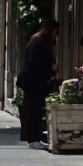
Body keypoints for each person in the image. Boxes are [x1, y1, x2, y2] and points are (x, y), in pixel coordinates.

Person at [17, 18, 60, 149]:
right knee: (33, 109)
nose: (56, 35)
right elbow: (34, 63)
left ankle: (35, 138)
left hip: (34, 81)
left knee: (36, 109)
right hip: (33, 82)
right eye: (56, 32)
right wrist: (51, 71)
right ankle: (33, 139)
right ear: (50, 30)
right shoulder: (38, 41)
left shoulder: (38, 40)